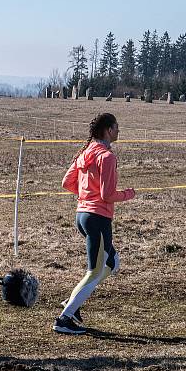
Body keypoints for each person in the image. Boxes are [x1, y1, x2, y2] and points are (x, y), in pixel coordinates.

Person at [53, 113, 136, 335]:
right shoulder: (106, 157)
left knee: (112, 263)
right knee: (95, 271)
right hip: (98, 219)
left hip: (83, 217)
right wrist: (128, 194)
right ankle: (64, 319)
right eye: (117, 127)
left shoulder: (85, 153)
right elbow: (107, 195)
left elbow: (66, 182)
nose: (119, 131)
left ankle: (74, 303)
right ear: (108, 130)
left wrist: (86, 198)